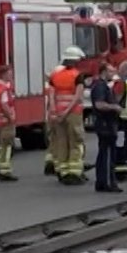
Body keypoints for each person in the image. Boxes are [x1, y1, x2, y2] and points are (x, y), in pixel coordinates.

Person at [45, 46, 87, 185]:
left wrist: (55, 111)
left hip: (57, 113)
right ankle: (74, 172)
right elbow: (77, 97)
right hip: (72, 113)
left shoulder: (55, 75)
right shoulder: (77, 75)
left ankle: (62, 171)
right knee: (75, 141)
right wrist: (66, 112)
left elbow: (51, 95)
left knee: (61, 142)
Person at [87, 61, 124, 193]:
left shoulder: (102, 86)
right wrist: (115, 107)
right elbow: (99, 104)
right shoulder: (100, 87)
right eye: (110, 71)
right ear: (104, 72)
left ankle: (101, 181)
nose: (112, 74)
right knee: (108, 153)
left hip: (106, 124)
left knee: (104, 153)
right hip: (105, 124)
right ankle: (108, 182)